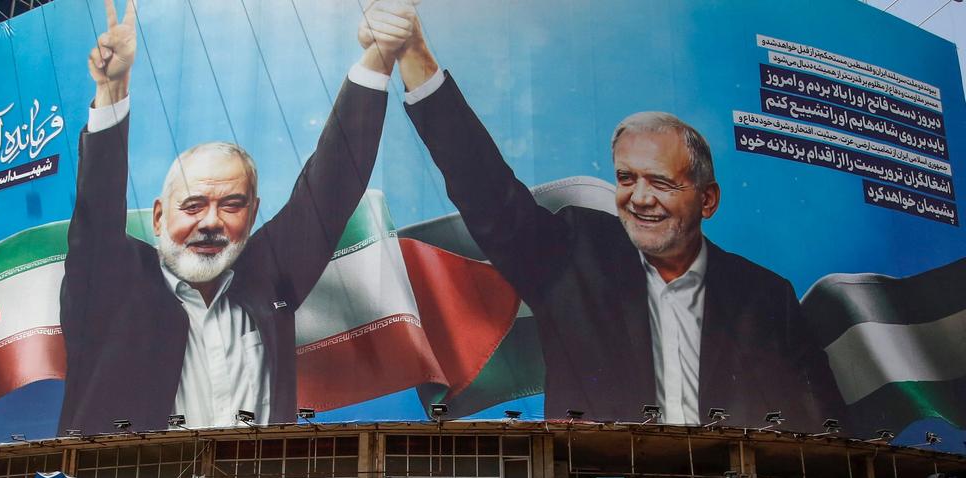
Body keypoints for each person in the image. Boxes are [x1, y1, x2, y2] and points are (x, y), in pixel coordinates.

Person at [362, 7, 846, 433]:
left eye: (661, 182)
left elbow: (824, 424)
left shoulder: (767, 298)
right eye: (625, 178)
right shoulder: (575, 254)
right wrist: (416, 58)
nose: (639, 199)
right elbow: (487, 191)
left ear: (708, 200)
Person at [59, 0, 412, 434]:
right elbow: (96, 212)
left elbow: (331, 187)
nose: (210, 222)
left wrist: (377, 57)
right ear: (157, 216)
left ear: (253, 212)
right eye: (192, 206)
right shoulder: (113, 282)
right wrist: (112, 92)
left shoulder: (267, 277)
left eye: (230, 205)